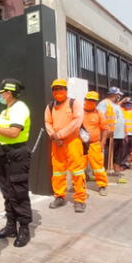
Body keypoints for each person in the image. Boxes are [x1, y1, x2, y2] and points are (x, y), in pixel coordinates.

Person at [0, 78, 34, 244]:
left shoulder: (19, 108)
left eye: (2, 93)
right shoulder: (7, 109)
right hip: (5, 155)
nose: (0, 96)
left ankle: (24, 229)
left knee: (18, 192)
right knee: (7, 191)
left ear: (9, 93)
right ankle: (11, 226)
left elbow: (13, 132)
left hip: (16, 155)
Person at [46, 79, 86, 213]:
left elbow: (77, 122)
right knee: (58, 171)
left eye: (61, 88)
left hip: (73, 142)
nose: (58, 91)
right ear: (52, 91)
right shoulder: (50, 106)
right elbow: (47, 123)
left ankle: (80, 199)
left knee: (77, 171)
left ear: (66, 90)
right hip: (56, 143)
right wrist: (53, 136)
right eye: (55, 89)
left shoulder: (74, 103)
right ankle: (59, 196)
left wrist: (60, 135)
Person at [82, 91, 109, 196]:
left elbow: (105, 129)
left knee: (98, 166)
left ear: (96, 102)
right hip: (81, 144)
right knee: (79, 166)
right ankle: (78, 185)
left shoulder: (99, 114)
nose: (90, 102)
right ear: (85, 100)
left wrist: (102, 143)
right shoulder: (79, 113)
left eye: (93, 100)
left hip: (94, 144)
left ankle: (102, 185)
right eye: (89, 99)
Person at [97, 87, 126, 183]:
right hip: (110, 134)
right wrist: (106, 130)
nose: (119, 96)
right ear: (114, 95)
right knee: (108, 154)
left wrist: (124, 132)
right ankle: (104, 172)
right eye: (118, 95)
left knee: (117, 153)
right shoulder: (104, 103)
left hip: (118, 134)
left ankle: (116, 171)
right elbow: (100, 117)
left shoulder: (116, 105)